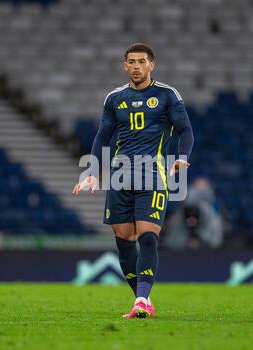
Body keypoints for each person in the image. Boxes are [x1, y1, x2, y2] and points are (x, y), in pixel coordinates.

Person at [73, 43, 194, 318]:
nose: (137, 66)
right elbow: (102, 137)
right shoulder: (114, 98)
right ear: (124, 65)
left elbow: (185, 129)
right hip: (120, 176)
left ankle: (141, 298)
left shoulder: (166, 95)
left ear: (152, 65)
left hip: (152, 173)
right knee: (124, 241)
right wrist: (92, 172)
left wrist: (182, 156)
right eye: (132, 62)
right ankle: (142, 300)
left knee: (148, 236)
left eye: (142, 61)